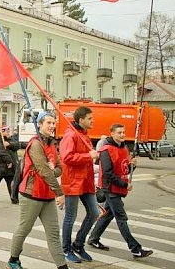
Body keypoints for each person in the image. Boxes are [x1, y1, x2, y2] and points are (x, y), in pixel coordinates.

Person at [7, 112, 66, 269]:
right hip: (31, 194)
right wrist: (59, 192)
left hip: (47, 196)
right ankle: (13, 260)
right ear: (39, 124)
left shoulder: (52, 144)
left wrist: (54, 170)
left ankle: (62, 266)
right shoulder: (35, 144)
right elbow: (42, 170)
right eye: (48, 123)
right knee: (24, 228)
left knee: (53, 235)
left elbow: (60, 168)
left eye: (54, 123)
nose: (52, 126)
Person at [87, 124, 153, 258]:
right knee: (121, 217)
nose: (122, 135)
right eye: (119, 132)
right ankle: (135, 248)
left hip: (117, 188)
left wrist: (132, 166)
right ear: (112, 134)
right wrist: (124, 184)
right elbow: (107, 173)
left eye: (123, 132)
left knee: (108, 214)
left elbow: (124, 169)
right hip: (110, 189)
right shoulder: (106, 150)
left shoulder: (124, 148)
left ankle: (93, 239)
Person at [60, 106, 99, 263]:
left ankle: (78, 244)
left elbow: (86, 157)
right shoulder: (71, 135)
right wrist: (88, 156)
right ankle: (66, 249)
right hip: (73, 181)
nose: (92, 120)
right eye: (90, 118)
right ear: (81, 119)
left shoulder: (84, 135)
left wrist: (92, 158)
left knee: (94, 212)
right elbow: (67, 157)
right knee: (70, 216)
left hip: (86, 181)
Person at [0, 125, 19, 204]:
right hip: (0, 166)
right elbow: (2, 153)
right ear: (2, 132)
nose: (9, 132)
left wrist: (9, 144)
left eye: (9, 130)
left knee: (11, 183)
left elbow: (17, 146)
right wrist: (9, 161)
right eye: (7, 131)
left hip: (10, 167)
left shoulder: (10, 139)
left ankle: (14, 199)